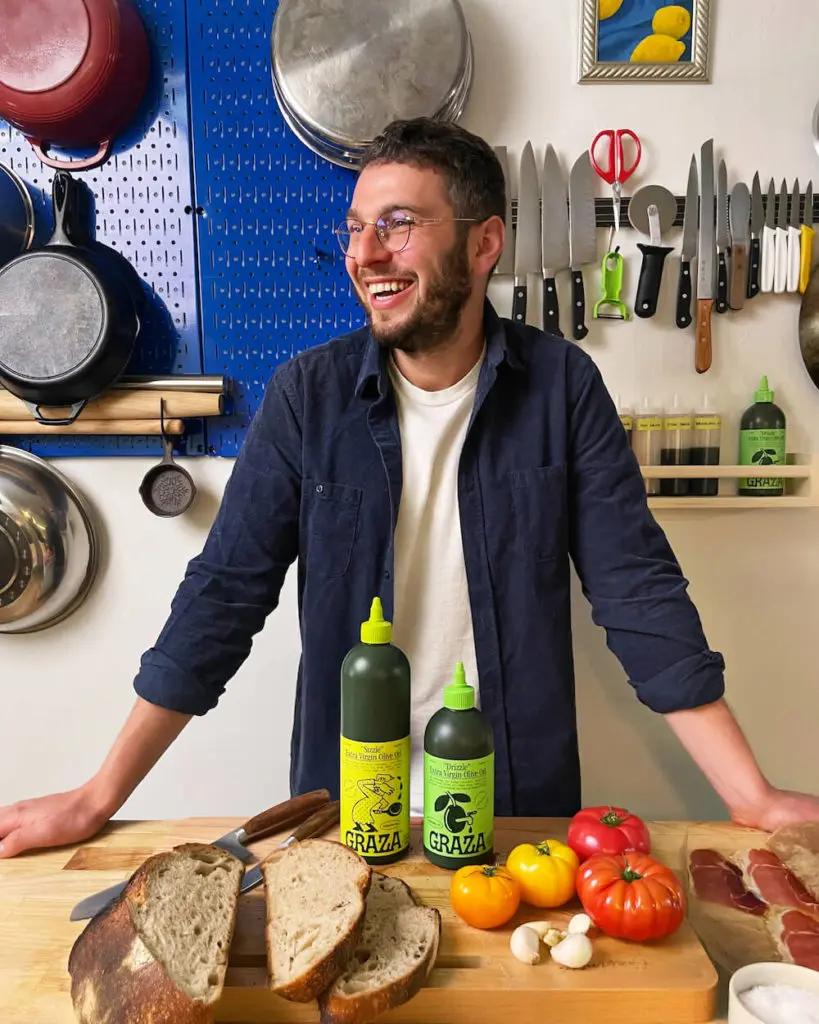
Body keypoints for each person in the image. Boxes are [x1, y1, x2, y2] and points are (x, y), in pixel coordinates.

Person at [1, 118, 817, 858]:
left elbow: (637, 592)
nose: (364, 254)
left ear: (483, 243)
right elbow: (221, 600)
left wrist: (749, 796)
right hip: (345, 811)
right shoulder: (305, 397)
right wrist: (96, 797)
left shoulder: (561, 388)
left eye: (398, 224)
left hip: (515, 812)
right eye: (356, 229)